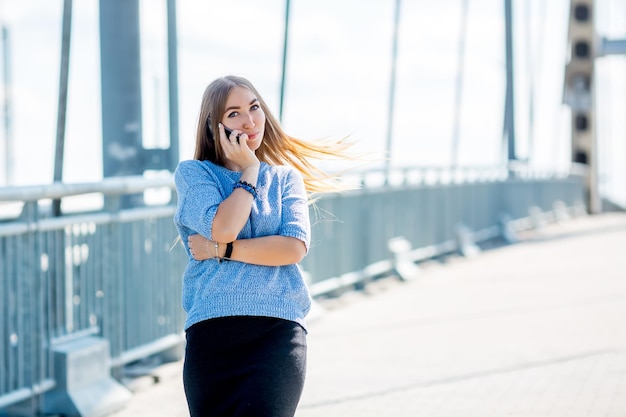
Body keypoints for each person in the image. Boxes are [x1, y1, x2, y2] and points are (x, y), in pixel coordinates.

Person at [173, 75, 353, 417]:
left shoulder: (286, 179)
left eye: (254, 108)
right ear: (215, 126)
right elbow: (223, 226)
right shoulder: (194, 175)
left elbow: (293, 248)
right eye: (235, 113)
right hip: (212, 335)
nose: (250, 120)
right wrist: (248, 173)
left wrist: (221, 251)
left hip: (277, 333)